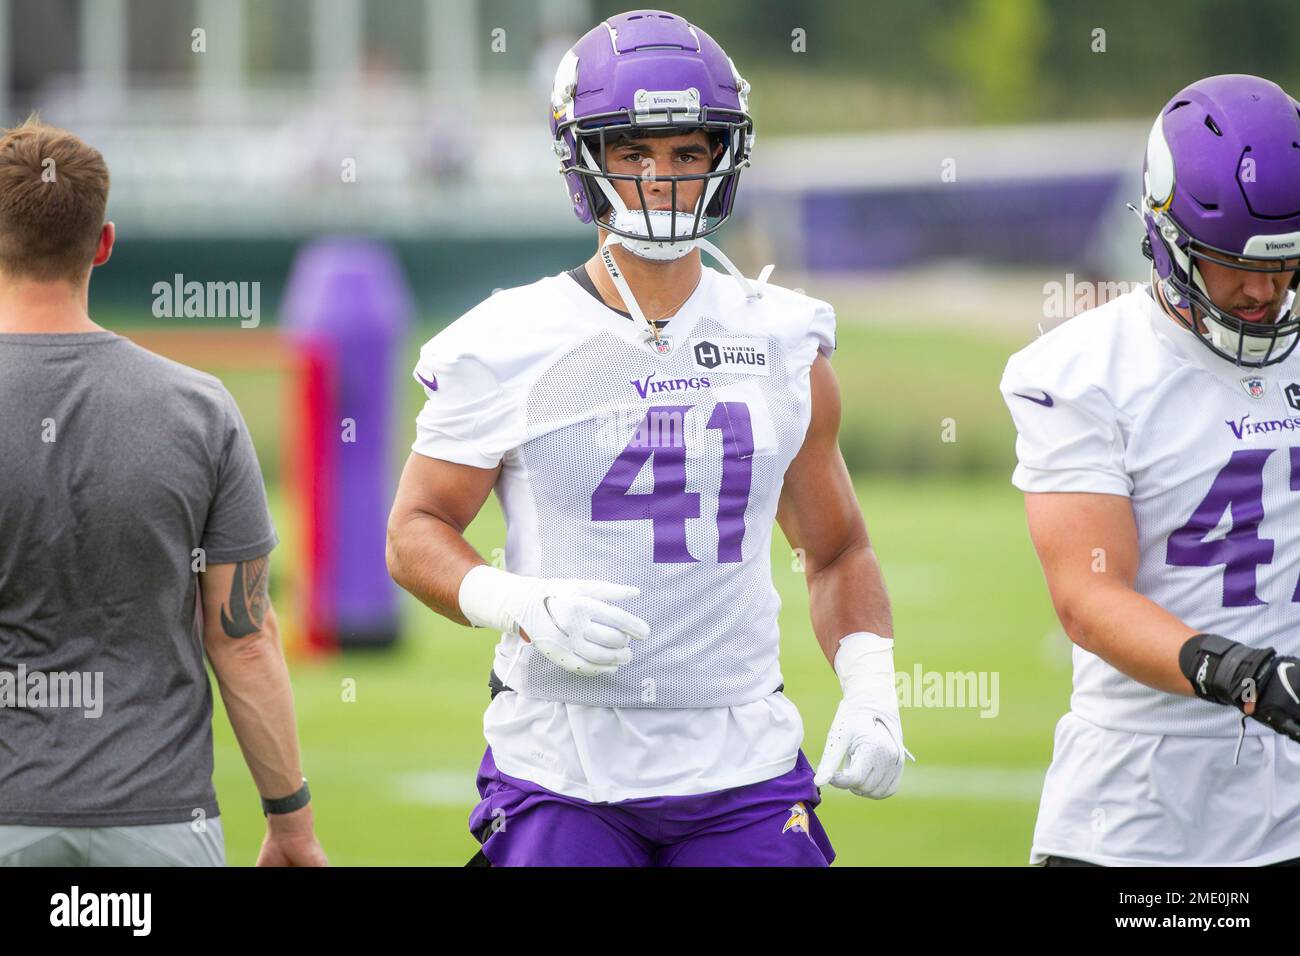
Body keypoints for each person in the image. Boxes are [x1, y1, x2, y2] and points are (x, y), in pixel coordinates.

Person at [387, 9, 905, 867]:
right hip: (561, 763)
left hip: (744, 763)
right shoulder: (508, 339)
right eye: (632, 152)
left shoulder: (783, 339)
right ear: (585, 160)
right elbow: (415, 533)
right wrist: (514, 601)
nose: (661, 179)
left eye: (686, 152)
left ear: (722, 159)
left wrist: (872, 686)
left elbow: (838, 547)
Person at [0, 116, 326, 867]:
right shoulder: (199, 409)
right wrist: (291, 826)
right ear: (105, 243)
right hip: (158, 823)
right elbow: (243, 640)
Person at [1001, 74, 1300, 866]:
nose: (1263, 290)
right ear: (1164, 238)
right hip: (1140, 804)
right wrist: (1244, 674)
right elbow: (1090, 597)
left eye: (1286, 263)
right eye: (1231, 264)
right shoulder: (1083, 370)